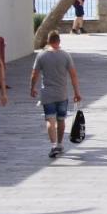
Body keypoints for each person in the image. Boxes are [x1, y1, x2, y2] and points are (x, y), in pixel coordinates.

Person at [30, 31, 82, 159]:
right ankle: (59, 143)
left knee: (50, 119)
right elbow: (73, 75)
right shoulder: (66, 56)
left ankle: (53, 146)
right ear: (59, 41)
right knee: (61, 119)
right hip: (62, 94)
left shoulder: (41, 56)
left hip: (47, 94)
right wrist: (76, 92)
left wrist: (32, 88)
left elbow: (34, 74)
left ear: (48, 41)